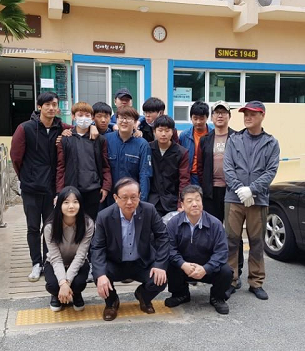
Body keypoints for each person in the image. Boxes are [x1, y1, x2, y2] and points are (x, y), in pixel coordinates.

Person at [11, 91, 71, 282]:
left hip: (52, 189)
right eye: (47, 105)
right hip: (31, 188)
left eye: (54, 104)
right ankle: (36, 263)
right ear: (39, 107)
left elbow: (81, 129)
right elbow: (16, 157)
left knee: (50, 227)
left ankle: (48, 261)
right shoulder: (25, 128)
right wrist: (26, 177)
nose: (51, 108)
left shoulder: (61, 127)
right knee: (33, 227)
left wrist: (91, 128)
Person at [91, 177, 170, 321]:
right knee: (100, 274)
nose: (129, 202)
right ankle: (112, 302)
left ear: (139, 196)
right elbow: (98, 247)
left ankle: (143, 296)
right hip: (115, 263)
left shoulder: (149, 210)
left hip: (141, 262)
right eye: (124, 197)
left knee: (160, 279)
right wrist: (100, 274)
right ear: (116, 198)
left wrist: (160, 265)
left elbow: (163, 237)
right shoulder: (104, 216)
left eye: (133, 197)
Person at [223, 101, 280, 301]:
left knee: (256, 241)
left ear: (262, 115)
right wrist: (240, 189)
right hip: (234, 198)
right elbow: (228, 168)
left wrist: (252, 190)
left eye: (252, 114)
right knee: (231, 240)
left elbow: (271, 171)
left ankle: (256, 282)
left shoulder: (271, 143)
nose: (247, 117)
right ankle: (229, 280)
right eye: (245, 114)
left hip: (258, 200)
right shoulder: (234, 139)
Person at [164, 185, 233, 314]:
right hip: (184, 267)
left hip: (208, 268)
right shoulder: (173, 223)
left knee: (226, 270)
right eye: (190, 201)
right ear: (182, 205)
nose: (194, 204)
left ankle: (217, 297)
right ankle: (181, 294)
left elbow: (222, 252)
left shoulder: (215, 224)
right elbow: (169, 249)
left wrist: (206, 268)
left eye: (197, 200)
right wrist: (183, 264)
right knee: (169, 263)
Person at [197, 101, 244, 286]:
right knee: (211, 232)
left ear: (229, 116)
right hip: (211, 193)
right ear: (212, 116)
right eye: (216, 112)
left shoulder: (238, 137)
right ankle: (213, 269)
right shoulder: (205, 140)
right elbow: (200, 167)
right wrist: (205, 187)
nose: (220, 115)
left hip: (232, 191)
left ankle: (236, 271)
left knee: (233, 233)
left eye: (224, 112)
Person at [56, 102, 112, 220]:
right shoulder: (65, 139)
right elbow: (61, 167)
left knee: (91, 223)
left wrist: (106, 186)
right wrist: (59, 191)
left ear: (92, 118)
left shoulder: (100, 140)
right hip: (72, 189)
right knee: (73, 222)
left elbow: (105, 166)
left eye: (87, 115)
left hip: (93, 189)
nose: (84, 118)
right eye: (80, 115)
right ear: (73, 116)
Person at [44, 186, 95, 312]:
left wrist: (67, 282)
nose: (71, 206)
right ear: (59, 204)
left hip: (78, 262)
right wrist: (63, 283)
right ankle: (57, 294)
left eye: (75, 202)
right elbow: (55, 258)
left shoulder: (88, 224)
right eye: (66, 202)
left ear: (80, 204)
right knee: (53, 285)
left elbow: (81, 255)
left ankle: (75, 293)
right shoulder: (50, 227)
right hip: (55, 262)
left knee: (79, 284)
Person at [105, 106, 152, 202]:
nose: (124, 121)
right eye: (121, 118)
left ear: (135, 122)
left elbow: (144, 174)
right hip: (109, 198)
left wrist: (141, 201)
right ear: (116, 120)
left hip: (131, 199)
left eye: (128, 118)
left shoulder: (142, 144)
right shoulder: (106, 140)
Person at [148, 115, 189, 217]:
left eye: (167, 130)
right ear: (154, 131)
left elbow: (184, 180)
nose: (163, 134)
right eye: (160, 130)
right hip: (151, 201)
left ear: (173, 132)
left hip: (172, 202)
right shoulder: (148, 148)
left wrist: (181, 203)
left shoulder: (181, 152)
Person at [178, 101, 213, 185]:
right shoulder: (184, 136)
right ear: (191, 118)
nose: (198, 122)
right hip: (189, 176)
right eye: (195, 118)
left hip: (207, 176)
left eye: (201, 118)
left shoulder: (213, 134)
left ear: (207, 117)